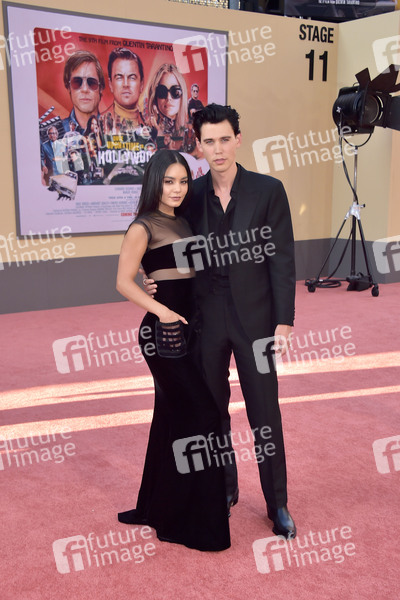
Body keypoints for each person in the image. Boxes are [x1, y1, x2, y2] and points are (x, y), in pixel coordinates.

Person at [144, 104, 297, 539]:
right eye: (209, 141)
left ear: (238, 140)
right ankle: (223, 490)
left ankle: (277, 504)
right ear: (199, 145)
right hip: (204, 319)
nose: (218, 149)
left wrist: (283, 320)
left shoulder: (268, 191)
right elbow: (158, 235)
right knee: (212, 412)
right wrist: (150, 278)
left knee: (265, 413)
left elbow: (282, 258)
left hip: (256, 321)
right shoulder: (189, 194)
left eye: (225, 139)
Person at [116, 149, 231, 552]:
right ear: (155, 183)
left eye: (183, 181)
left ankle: (156, 508)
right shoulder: (143, 226)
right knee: (204, 414)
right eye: (169, 182)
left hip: (191, 330)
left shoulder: (184, 221)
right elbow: (123, 282)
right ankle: (192, 523)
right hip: (163, 334)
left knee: (169, 418)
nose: (177, 189)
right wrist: (161, 309)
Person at [102, 47, 145, 133]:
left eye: (132, 77)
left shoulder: (151, 125)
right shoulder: (99, 124)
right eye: (119, 77)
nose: (125, 84)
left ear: (141, 84)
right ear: (110, 84)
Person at [61, 50, 105, 134]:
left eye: (92, 83)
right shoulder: (50, 135)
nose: (85, 89)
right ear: (68, 87)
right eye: (77, 82)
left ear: (101, 88)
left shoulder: (117, 132)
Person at [147, 63, 188, 137]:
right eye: (162, 91)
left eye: (175, 92)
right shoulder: (146, 131)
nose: (168, 97)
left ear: (183, 96)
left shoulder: (192, 131)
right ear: (155, 97)